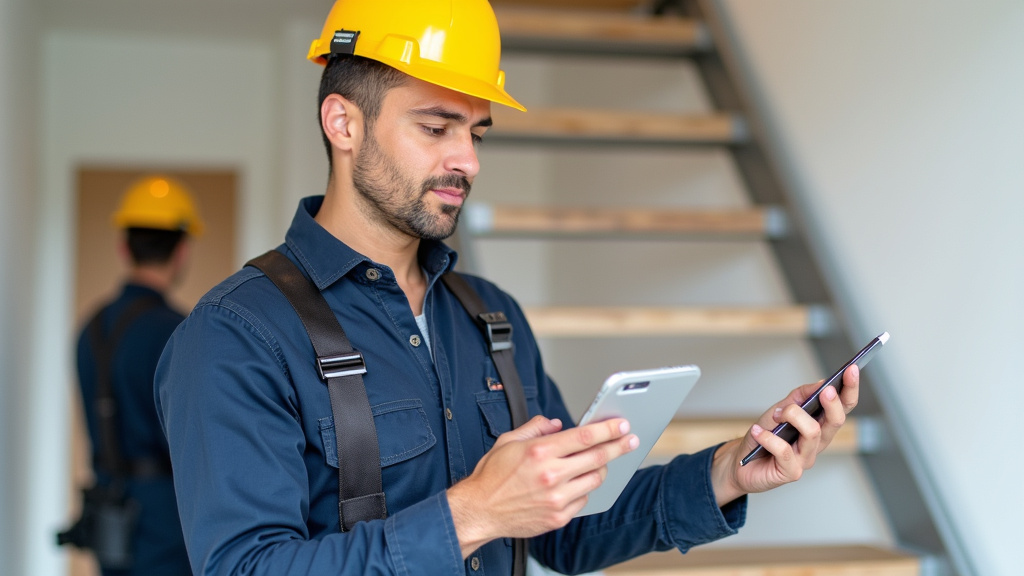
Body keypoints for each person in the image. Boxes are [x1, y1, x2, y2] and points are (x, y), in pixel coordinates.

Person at [154, 1, 860, 575]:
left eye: (477, 134)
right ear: (343, 122)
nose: (466, 160)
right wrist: (474, 515)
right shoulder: (236, 336)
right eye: (436, 127)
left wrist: (730, 471)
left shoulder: (490, 317)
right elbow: (248, 567)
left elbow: (569, 529)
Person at [71, 175, 201, 576]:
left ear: (123, 246)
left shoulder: (90, 328)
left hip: (111, 514)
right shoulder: (181, 331)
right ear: (181, 251)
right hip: (167, 519)